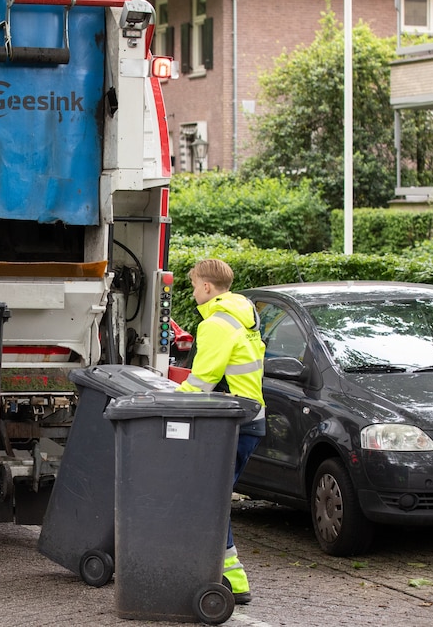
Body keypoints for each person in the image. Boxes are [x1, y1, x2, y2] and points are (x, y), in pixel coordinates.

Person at [176, 258, 266, 605]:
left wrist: (167, 402)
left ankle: (232, 578)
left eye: (195, 285)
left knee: (210, 500)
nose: (194, 291)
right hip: (247, 419)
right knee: (212, 498)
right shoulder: (243, 315)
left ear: (208, 287)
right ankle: (219, 571)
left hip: (232, 423)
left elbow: (201, 383)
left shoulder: (216, 324)